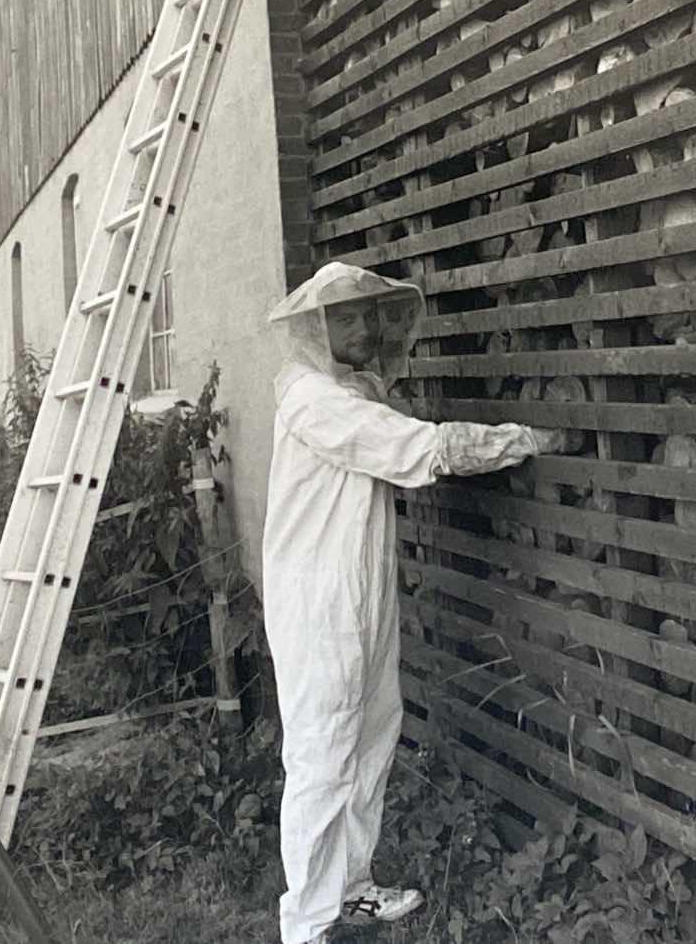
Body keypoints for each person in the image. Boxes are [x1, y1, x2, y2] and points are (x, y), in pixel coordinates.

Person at [262, 262, 566, 944]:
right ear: (315, 328)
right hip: (318, 603)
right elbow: (419, 447)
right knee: (322, 754)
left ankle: (352, 890)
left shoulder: (351, 392)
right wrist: (524, 440)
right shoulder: (314, 400)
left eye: (368, 314)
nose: (364, 328)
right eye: (345, 317)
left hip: (359, 591)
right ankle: (307, 923)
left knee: (371, 736)